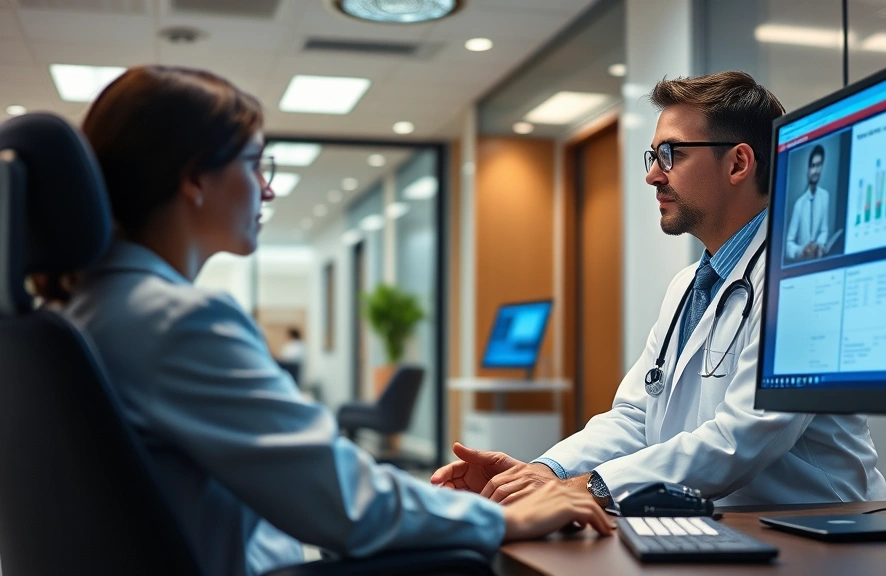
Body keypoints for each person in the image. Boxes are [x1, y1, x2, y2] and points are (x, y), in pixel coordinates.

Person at [48, 66, 612, 576]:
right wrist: (500, 520)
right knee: (462, 561)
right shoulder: (174, 320)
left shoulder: (90, 308)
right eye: (254, 164)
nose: (267, 189)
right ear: (194, 179)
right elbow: (342, 501)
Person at [432, 71, 886, 509]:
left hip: (820, 534)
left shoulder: (805, 277)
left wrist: (590, 487)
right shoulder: (688, 285)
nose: (653, 176)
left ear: (738, 163)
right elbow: (634, 417)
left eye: (672, 154)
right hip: (728, 524)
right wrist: (544, 473)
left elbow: (741, 438)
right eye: (653, 157)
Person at [785, 144, 831, 261]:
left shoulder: (825, 196)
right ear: (808, 169)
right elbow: (788, 244)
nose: (815, 170)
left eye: (819, 165)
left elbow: (824, 230)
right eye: (813, 166)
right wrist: (802, 250)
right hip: (802, 265)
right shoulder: (799, 204)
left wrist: (819, 245)